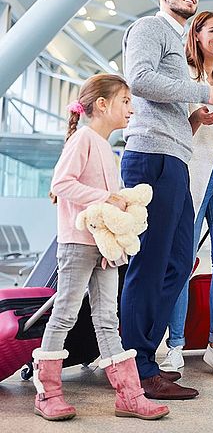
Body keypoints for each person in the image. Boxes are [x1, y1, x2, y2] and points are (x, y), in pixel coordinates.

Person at [120, 0, 213, 400]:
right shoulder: (151, 27)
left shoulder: (173, 40)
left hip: (174, 157)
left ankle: (145, 356)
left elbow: (167, 105)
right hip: (150, 158)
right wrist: (201, 93)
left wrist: (195, 116)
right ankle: (136, 364)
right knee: (150, 263)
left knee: (177, 262)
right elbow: (140, 79)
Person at [33, 74, 168, 422]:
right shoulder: (83, 139)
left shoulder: (105, 146)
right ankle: (47, 393)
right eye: (125, 101)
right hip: (78, 243)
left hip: (105, 248)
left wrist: (117, 237)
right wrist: (106, 197)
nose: (131, 109)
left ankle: (130, 395)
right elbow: (62, 183)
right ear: (103, 105)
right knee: (64, 313)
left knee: (108, 319)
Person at [160, 11, 213, 379]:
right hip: (195, 173)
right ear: (197, 34)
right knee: (183, 258)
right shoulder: (183, 77)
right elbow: (178, 130)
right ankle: (174, 345)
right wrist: (199, 119)